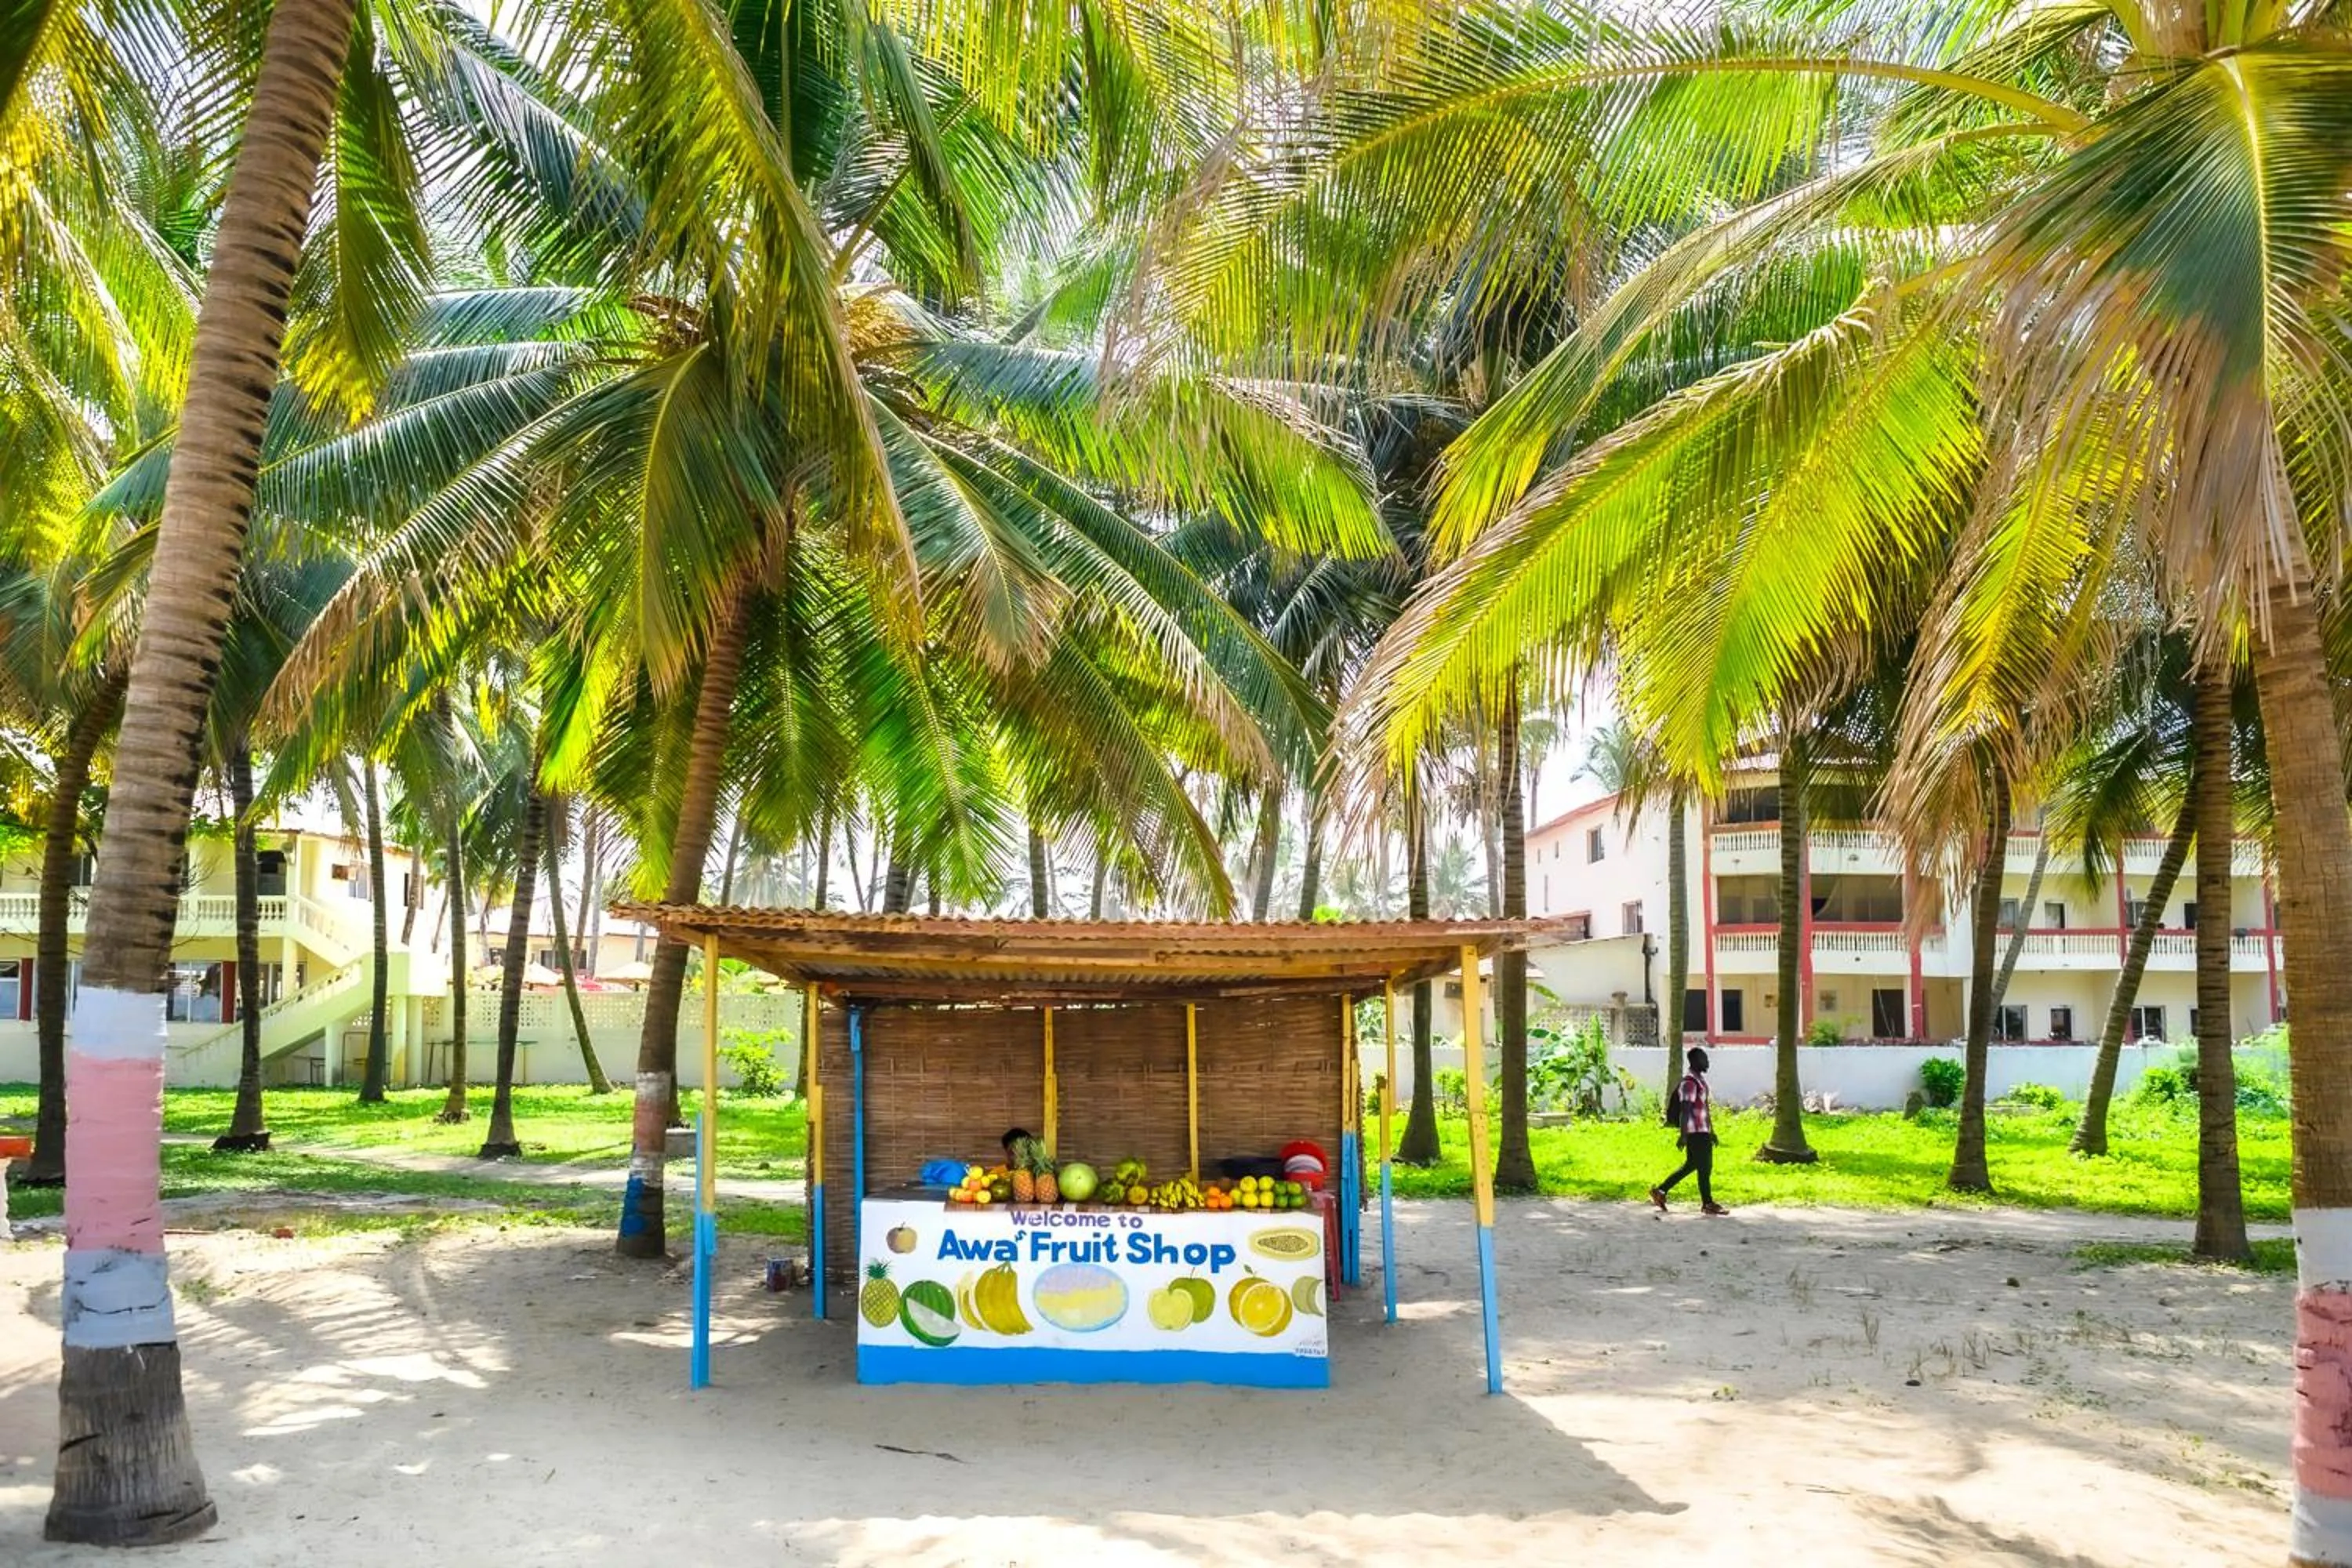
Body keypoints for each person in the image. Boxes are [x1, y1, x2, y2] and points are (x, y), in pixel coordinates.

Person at [1650, 1047, 1729, 1216]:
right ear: (1695, 1061)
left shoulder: (1700, 1081)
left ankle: (1661, 1191)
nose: (1707, 1062)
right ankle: (1707, 1203)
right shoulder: (1689, 1083)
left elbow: (1705, 1108)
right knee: (1703, 1167)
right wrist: (1684, 1135)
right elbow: (1685, 1110)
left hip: (1703, 1130)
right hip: (1695, 1132)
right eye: (1704, 1059)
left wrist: (1712, 1131)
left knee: (1694, 1165)